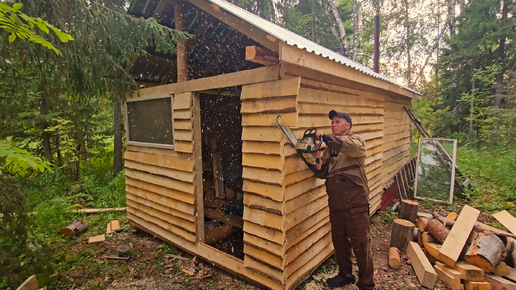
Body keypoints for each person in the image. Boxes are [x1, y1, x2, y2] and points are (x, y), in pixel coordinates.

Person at [313, 110, 375, 290]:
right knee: (339, 241)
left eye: (338, 121)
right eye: (332, 122)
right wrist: (318, 167)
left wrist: (324, 137)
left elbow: (346, 145)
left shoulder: (356, 141)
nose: (334, 124)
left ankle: (366, 284)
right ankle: (345, 275)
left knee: (361, 243)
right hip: (336, 204)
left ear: (348, 125)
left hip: (355, 203)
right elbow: (324, 173)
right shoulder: (330, 149)